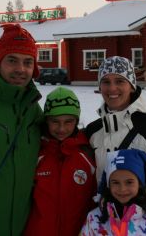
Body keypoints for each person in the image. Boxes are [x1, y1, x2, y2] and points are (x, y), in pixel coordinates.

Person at [86, 56, 146, 236]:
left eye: (120, 81)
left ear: (131, 85)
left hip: (145, 228)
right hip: (104, 227)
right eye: (106, 82)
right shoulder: (93, 132)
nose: (112, 88)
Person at [0, 23, 43, 236]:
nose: (20, 69)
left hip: (19, 228)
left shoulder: (33, 111)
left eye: (28, 62)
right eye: (12, 60)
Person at [24, 87, 96, 236]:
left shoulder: (88, 154)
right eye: (54, 121)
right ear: (46, 121)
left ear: (76, 120)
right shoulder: (35, 152)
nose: (61, 128)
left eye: (68, 121)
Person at [80, 149, 146, 236]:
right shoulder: (94, 218)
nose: (122, 189)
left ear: (139, 183)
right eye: (116, 182)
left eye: (129, 182)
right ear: (108, 185)